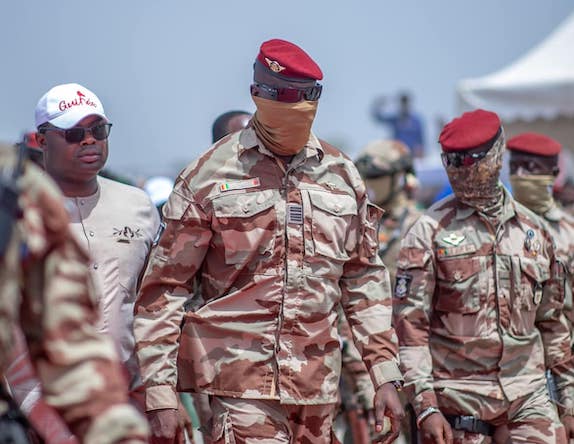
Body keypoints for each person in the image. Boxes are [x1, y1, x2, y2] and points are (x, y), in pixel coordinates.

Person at [134, 38, 404, 444]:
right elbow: (165, 289)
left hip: (318, 388)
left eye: (304, 98)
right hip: (240, 387)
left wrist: (384, 375)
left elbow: (364, 281)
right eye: (281, 97)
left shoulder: (342, 177)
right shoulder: (208, 176)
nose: (294, 108)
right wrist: (160, 393)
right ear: (256, 94)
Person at [393, 109, 574, 443]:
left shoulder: (535, 232)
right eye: (452, 160)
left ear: (497, 154)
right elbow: (410, 329)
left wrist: (568, 402)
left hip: (528, 400)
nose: (461, 169)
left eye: (471, 159)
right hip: (460, 404)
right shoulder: (428, 232)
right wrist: (426, 406)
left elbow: (553, 322)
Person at [5, 83, 162, 431]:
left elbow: (157, 302)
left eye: (98, 130)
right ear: (42, 141)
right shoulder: (15, 211)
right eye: (75, 133)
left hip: (126, 402)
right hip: (37, 405)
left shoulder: (138, 206)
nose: (89, 141)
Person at [507, 132, 574, 347]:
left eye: (529, 167)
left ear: (553, 174)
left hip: (563, 354)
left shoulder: (569, 231)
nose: (519, 174)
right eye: (513, 166)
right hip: (513, 362)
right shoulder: (497, 227)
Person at [371, 92, 425, 159]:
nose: (404, 105)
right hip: (398, 154)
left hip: (412, 155)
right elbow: (378, 117)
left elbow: (421, 138)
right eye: (402, 103)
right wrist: (379, 104)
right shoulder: (395, 119)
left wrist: (421, 150)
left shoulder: (416, 120)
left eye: (406, 103)